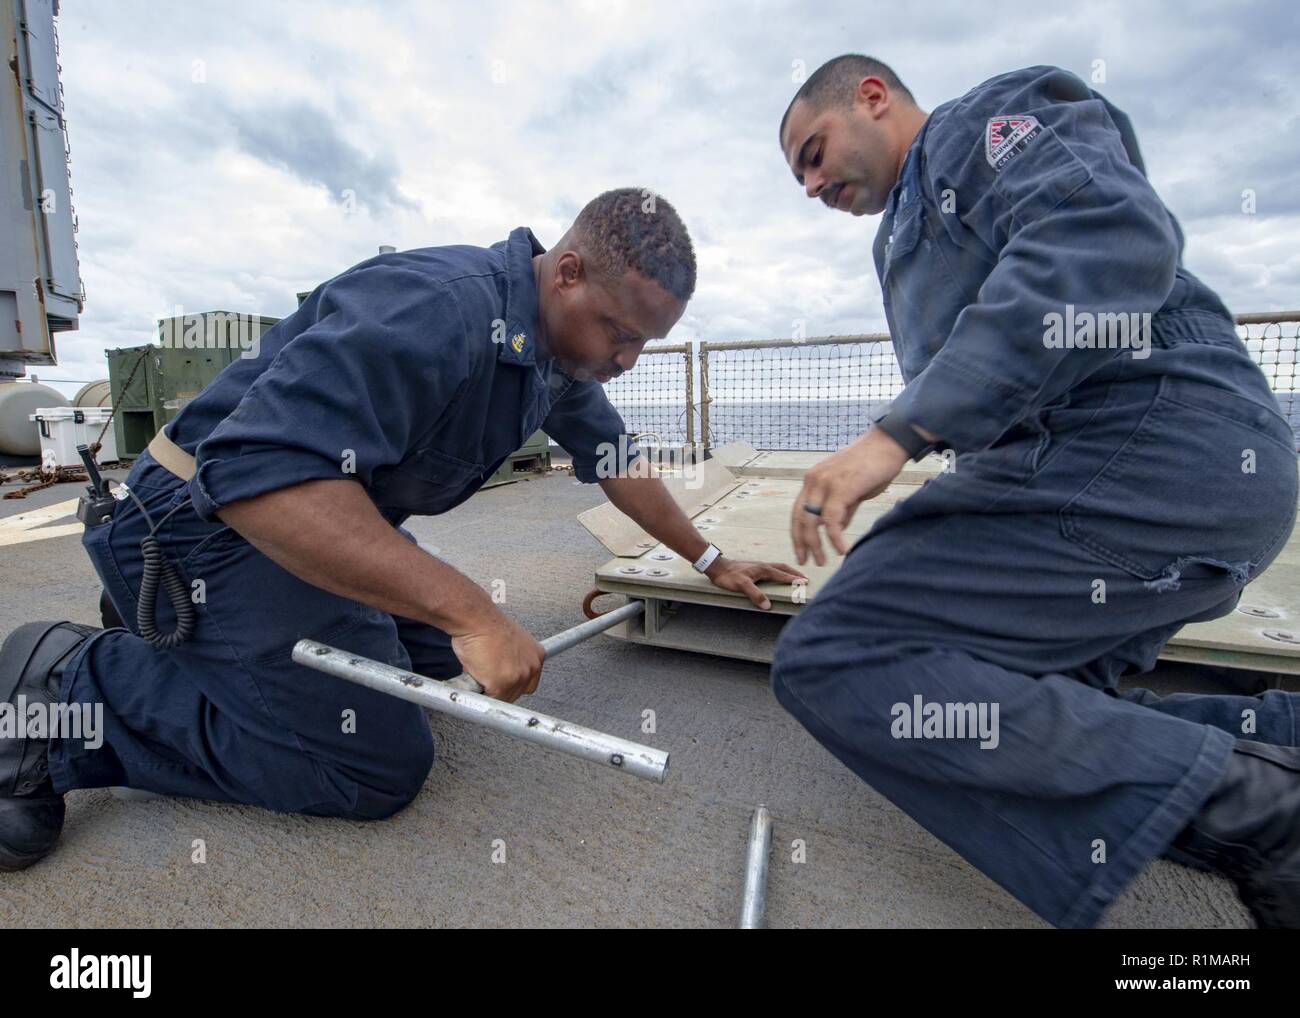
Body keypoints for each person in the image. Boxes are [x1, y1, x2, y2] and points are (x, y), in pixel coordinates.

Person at [0, 187, 805, 871]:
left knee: (427, 667)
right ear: (565, 273)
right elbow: (252, 479)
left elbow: (617, 456)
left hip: (295, 523)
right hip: (202, 526)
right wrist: (473, 611)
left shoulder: (557, 352)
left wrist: (710, 558)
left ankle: (194, 638)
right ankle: (75, 685)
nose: (627, 359)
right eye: (621, 333)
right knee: (373, 759)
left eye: (645, 343)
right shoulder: (438, 308)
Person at [773, 56, 1300, 927]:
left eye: (814, 152)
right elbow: (997, 395)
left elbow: (1105, 233)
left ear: (873, 98)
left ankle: (1271, 821)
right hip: (1145, 479)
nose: (811, 182)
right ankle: (1276, 742)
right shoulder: (899, 242)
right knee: (1040, 704)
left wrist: (894, 436)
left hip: (1153, 440)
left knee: (843, 649)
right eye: (799, 174)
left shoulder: (986, 123)